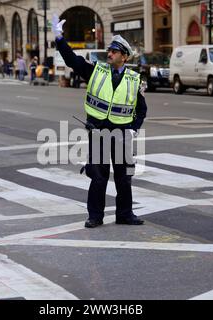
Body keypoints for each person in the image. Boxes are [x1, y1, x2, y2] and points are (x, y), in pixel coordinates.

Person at [52, 14, 147, 228]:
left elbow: (141, 109)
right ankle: (95, 216)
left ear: (124, 56)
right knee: (98, 177)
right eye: (109, 50)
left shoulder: (135, 80)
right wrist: (59, 39)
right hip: (99, 132)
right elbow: (72, 61)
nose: (109, 53)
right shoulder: (97, 70)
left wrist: (134, 130)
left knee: (124, 178)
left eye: (114, 51)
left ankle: (125, 214)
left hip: (122, 135)